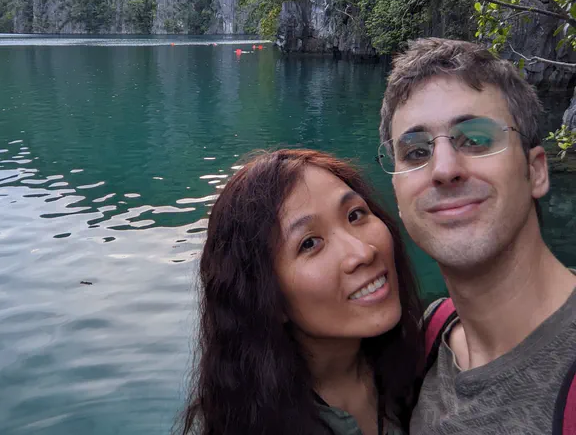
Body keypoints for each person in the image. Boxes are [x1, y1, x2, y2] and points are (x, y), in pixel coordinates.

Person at [377, 38, 576, 434]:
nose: (444, 168)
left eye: (477, 139)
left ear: (536, 171)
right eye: (416, 151)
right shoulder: (428, 340)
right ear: (398, 194)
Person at [181, 149, 424, 435]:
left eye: (356, 215)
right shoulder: (249, 425)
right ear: (268, 299)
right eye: (309, 243)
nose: (362, 253)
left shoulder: (435, 355)